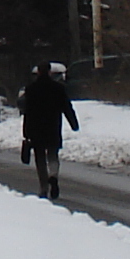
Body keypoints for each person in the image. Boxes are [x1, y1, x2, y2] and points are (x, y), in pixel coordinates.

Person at [19, 60, 79, 199]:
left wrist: (26, 132)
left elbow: (27, 111)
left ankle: (43, 187)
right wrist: (73, 123)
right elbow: (66, 107)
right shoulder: (58, 88)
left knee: (40, 158)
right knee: (53, 154)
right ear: (50, 72)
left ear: (38, 72)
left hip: (36, 128)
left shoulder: (31, 89)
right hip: (53, 126)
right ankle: (53, 175)